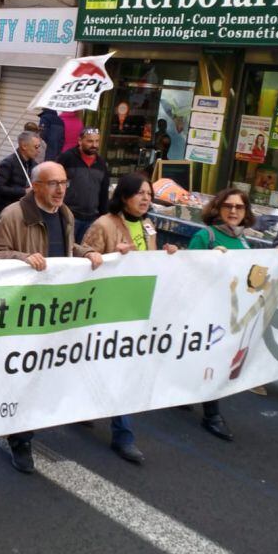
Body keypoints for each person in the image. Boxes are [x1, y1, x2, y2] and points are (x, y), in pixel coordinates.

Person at [0, 161, 102, 473]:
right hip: (24, 312)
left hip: (56, 310)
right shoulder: (14, 215)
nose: (60, 189)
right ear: (35, 186)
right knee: (24, 376)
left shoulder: (66, 214)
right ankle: (20, 439)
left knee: (44, 373)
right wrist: (23, 258)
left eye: (64, 182)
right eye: (52, 183)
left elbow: (63, 249)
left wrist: (85, 251)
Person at [82, 173, 179, 464]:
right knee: (99, 366)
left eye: (149, 193)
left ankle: (120, 432)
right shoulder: (104, 224)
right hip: (105, 311)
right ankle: (120, 432)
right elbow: (83, 260)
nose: (146, 198)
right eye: (139, 193)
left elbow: (149, 263)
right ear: (124, 196)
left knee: (123, 371)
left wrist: (166, 255)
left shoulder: (149, 226)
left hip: (135, 310)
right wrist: (111, 256)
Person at [184, 188, 254, 441]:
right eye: (228, 206)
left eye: (239, 207)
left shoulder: (244, 241)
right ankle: (212, 414)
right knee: (213, 359)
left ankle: (182, 393)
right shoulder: (207, 236)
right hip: (207, 311)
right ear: (218, 208)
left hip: (231, 312)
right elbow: (189, 270)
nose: (233, 211)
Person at [58, 127, 110, 242]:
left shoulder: (101, 164)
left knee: (85, 254)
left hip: (92, 219)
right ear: (80, 141)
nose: (94, 145)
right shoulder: (67, 158)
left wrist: (104, 217)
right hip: (69, 216)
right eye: (90, 141)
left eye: (97, 141)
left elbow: (103, 193)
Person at [0, 131, 40, 219]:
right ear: (24, 146)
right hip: (7, 210)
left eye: (39, 147)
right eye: (36, 147)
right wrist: (24, 191)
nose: (38, 150)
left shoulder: (35, 166)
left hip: (26, 210)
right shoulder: (7, 163)